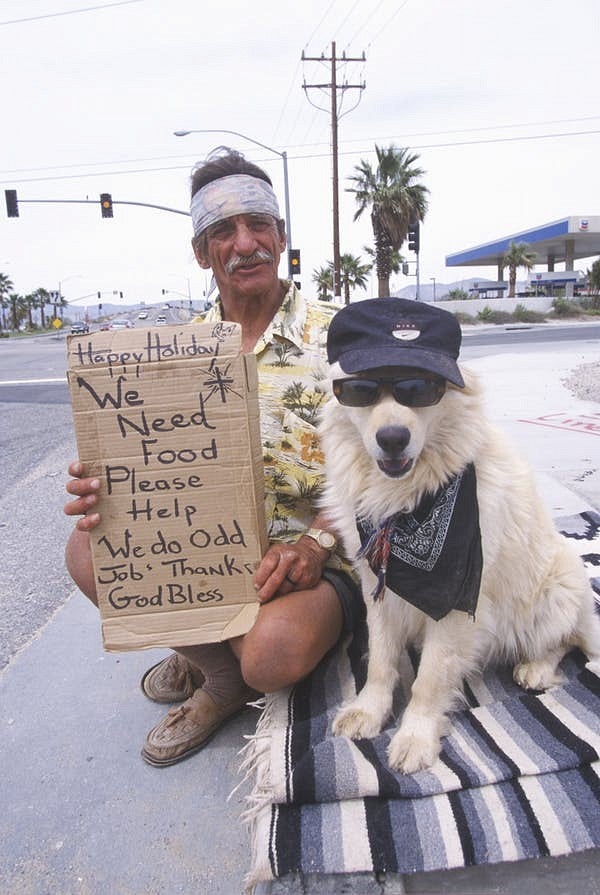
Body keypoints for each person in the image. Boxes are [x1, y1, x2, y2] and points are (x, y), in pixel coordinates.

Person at [64, 147, 363, 767]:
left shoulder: (342, 338)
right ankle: (217, 676)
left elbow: (386, 473)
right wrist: (105, 484)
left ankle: (215, 649)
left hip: (314, 557)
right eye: (222, 231)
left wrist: (317, 545)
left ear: (281, 238)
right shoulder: (174, 350)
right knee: (84, 550)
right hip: (209, 551)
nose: (245, 243)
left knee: (271, 657)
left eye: (259, 225)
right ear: (201, 253)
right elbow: (145, 458)